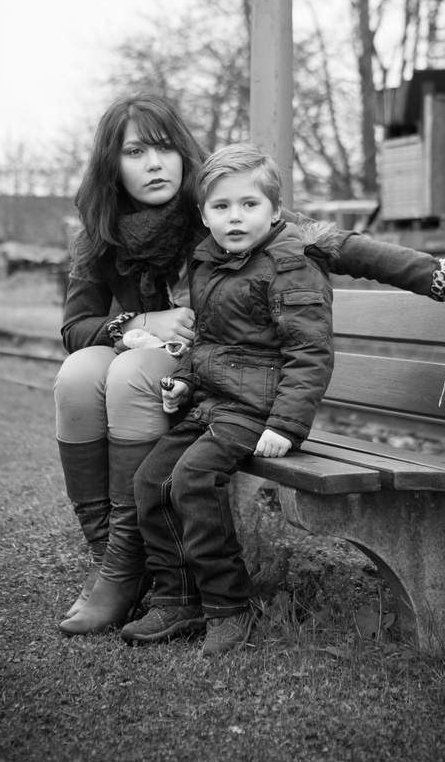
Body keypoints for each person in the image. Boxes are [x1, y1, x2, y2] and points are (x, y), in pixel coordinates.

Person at [55, 91, 445, 637]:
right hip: (183, 371)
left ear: (183, 154)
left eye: (162, 148)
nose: (153, 163)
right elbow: (74, 329)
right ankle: (110, 556)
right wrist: (139, 323)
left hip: (219, 380)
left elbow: (338, 244)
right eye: (135, 152)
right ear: (112, 163)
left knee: (125, 374)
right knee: (78, 373)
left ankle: (131, 561)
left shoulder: (220, 203)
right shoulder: (102, 232)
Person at [120, 143, 337, 655]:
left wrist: (286, 425)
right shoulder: (209, 266)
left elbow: (310, 353)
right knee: (150, 480)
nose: (234, 217)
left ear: (275, 211)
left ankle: (228, 605)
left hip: (258, 410)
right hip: (212, 404)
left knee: (194, 479)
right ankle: (177, 598)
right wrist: (187, 384)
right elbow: (211, 345)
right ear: (204, 216)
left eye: (248, 205)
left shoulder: (291, 266)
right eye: (221, 207)